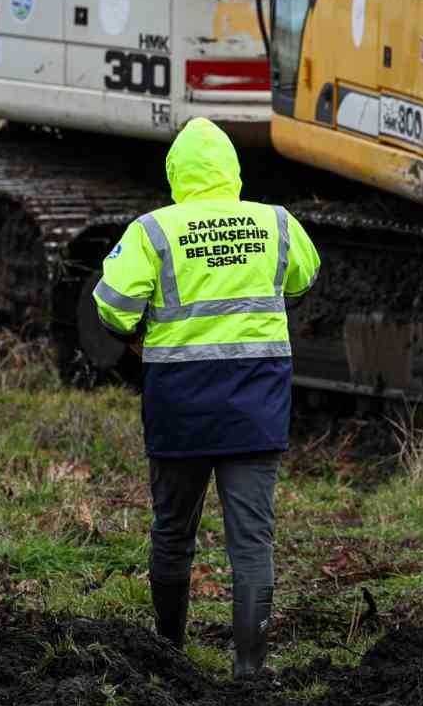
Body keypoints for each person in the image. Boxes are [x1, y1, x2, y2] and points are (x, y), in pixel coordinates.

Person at [93, 118, 320, 677]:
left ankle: (169, 651)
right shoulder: (276, 222)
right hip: (256, 407)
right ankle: (249, 669)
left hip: (181, 407)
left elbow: (113, 307)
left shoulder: (153, 230)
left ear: (176, 174)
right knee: (253, 543)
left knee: (173, 533)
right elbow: (304, 278)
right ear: (233, 171)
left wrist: (139, 331)